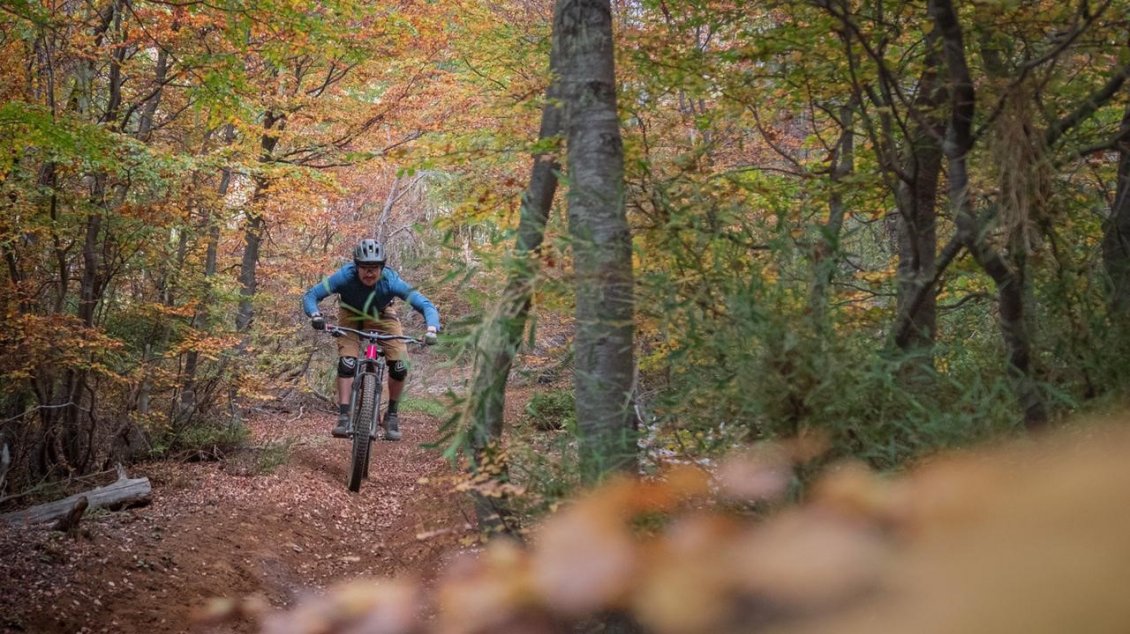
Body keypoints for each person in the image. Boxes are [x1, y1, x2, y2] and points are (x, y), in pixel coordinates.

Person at [301, 239, 440, 440]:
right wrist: (315, 315)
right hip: (350, 315)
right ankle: (344, 415)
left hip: (382, 315)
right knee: (347, 363)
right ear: (356, 267)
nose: (369, 273)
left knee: (400, 365)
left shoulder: (391, 281)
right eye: (364, 268)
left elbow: (425, 304)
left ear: (382, 268)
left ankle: (391, 415)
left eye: (374, 268)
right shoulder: (343, 276)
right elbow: (312, 295)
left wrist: (432, 328)